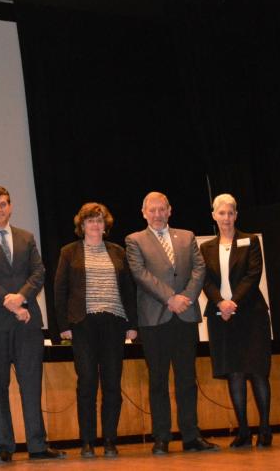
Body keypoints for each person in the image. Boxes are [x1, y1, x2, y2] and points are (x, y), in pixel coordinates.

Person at [0, 186, 64, 463]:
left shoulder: (26, 237)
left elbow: (39, 271)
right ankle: (4, 447)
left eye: (3, 204)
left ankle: (37, 445)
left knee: (31, 385)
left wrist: (21, 298)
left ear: (10, 206)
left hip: (28, 323)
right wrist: (9, 302)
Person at [125, 191, 217, 454]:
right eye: (151, 210)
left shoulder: (187, 237)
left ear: (169, 210)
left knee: (187, 379)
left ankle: (191, 436)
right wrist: (170, 298)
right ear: (144, 212)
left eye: (161, 209)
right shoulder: (134, 240)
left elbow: (199, 269)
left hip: (185, 315)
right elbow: (140, 274)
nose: (157, 214)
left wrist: (185, 298)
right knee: (158, 380)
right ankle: (161, 437)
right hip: (155, 319)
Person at [53, 202, 138, 458]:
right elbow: (60, 290)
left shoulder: (118, 251)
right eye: (90, 220)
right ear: (82, 225)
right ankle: (87, 442)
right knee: (87, 382)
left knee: (112, 383)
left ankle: (110, 440)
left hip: (113, 323)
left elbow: (128, 290)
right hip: (83, 324)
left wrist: (132, 325)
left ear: (105, 224)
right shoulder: (69, 252)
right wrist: (63, 326)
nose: (95, 224)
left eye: (99, 220)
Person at [199, 194, 273, 448]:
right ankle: (243, 431)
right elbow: (204, 280)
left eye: (231, 213)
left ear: (236, 215)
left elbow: (253, 274)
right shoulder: (206, 247)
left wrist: (234, 303)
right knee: (235, 373)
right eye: (222, 213)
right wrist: (221, 303)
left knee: (258, 371)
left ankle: (265, 429)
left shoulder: (250, 241)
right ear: (214, 216)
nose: (226, 218)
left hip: (251, 314)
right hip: (222, 318)